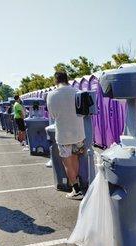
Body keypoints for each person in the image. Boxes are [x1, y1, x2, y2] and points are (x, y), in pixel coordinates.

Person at [47, 71, 85, 199]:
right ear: (67, 79)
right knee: (75, 159)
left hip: (63, 135)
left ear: (56, 80)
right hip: (79, 133)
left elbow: (52, 115)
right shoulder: (77, 92)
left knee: (67, 163)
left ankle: (76, 190)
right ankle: (77, 183)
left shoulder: (51, 95)